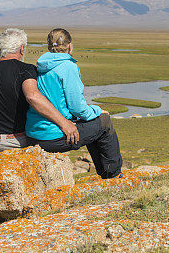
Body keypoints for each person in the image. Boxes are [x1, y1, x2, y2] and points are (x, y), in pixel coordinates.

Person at [0, 28, 79, 160]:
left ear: (0, 48)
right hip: (18, 141)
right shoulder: (26, 70)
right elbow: (33, 97)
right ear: (21, 49)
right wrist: (64, 123)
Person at [25, 28, 123, 179]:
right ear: (70, 46)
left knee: (91, 122)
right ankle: (114, 175)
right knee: (104, 122)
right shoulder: (68, 67)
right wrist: (97, 111)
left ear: (49, 47)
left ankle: (106, 173)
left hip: (34, 134)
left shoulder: (42, 66)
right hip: (54, 136)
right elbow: (77, 108)